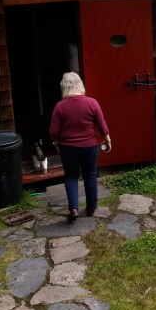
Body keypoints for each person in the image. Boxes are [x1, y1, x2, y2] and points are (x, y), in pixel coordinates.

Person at [49, 72, 111, 222]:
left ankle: (74, 208)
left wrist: (55, 142)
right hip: (90, 147)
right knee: (90, 175)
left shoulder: (60, 107)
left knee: (71, 176)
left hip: (68, 148)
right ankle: (91, 208)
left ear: (64, 87)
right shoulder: (91, 103)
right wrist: (107, 139)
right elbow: (101, 125)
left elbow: (53, 131)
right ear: (79, 85)